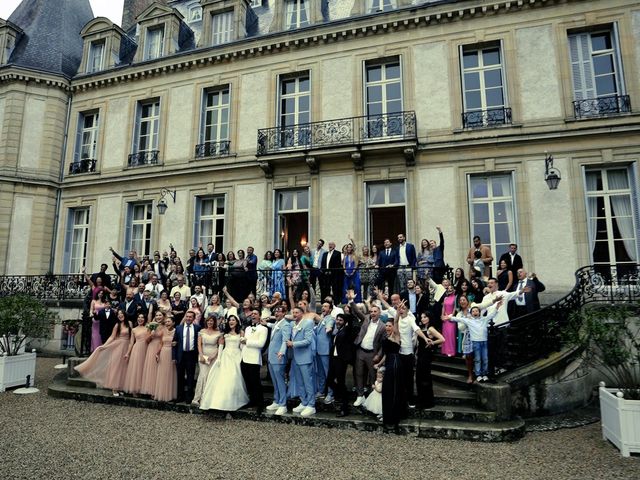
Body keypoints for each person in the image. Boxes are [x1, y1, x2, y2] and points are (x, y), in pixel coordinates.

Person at [75, 309, 132, 396]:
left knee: (124, 368)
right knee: (116, 367)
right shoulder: (117, 325)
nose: (120, 315)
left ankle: (120, 387)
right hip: (118, 347)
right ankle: (114, 388)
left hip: (126, 346)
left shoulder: (130, 324)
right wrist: (104, 345)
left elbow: (132, 337)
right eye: (118, 314)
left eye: (121, 313)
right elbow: (112, 337)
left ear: (125, 314)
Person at [199, 315, 250, 411]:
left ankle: (234, 400)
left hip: (236, 355)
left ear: (237, 322)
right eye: (230, 320)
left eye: (233, 320)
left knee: (235, 376)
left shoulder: (241, 332)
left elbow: (242, 346)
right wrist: (219, 358)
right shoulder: (225, 333)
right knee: (224, 377)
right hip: (226, 356)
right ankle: (219, 402)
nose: (231, 321)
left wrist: (243, 357)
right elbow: (221, 345)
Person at [447, 303, 499, 382]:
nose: (475, 312)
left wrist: (497, 307)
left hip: (484, 342)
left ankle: (484, 374)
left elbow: (491, 315)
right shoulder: (469, 321)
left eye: (476, 311)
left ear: (479, 312)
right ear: (471, 314)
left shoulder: (484, 319)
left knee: (485, 359)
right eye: (473, 311)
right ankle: (478, 375)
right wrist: (449, 317)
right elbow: (459, 319)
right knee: (478, 359)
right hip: (475, 343)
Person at [351, 297, 385, 407]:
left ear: (379, 312)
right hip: (360, 351)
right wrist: (351, 300)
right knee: (359, 374)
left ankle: (371, 399)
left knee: (373, 376)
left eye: (375, 311)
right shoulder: (366, 319)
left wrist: (378, 355)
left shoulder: (383, 327)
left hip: (372, 354)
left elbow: (383, 345)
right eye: (371, 311)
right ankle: (360, 396)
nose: (373, 313)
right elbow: (356, 310)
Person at [374, 318, 405, 431]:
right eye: (386, 325)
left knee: (394, 391)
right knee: (387, 391)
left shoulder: (396, 336)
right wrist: (379, 364)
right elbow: (386, 355)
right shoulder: (386, 337)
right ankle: (388, 418)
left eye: (390, 326)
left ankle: (395, 419)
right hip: (389, 364)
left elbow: (396, 322)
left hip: (396, 364)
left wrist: (397, 312)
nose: (387, 327)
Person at [287, 306, 316, 417]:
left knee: (308, 382)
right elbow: (285, 320)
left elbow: (308, 341)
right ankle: (303, 401)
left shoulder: (308, 323)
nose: (294, 314)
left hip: (305, 357)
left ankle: (311, 405)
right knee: (299, 382)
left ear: (302, 313)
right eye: (293, 312)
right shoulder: (292, 324)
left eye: (297, 312)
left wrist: (293, 344)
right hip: (295, 357)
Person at [326, 312, 356, 417]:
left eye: (340, 320)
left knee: (341, 382)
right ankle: (341, 394)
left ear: (345, 322)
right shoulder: (338, 330)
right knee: (329, 380)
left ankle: (344, 408)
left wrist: (350, 302)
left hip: (341, 360)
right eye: (337, 319)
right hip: (334, 359)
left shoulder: (347, 330)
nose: (338, 321)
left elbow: (351, 323)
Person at [265, 306, 292, 416]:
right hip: (271, 357)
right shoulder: (276, 324)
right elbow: (271, 326)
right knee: (275, 381)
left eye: (279, 311)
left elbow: (285, 340)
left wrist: (282, 352)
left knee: (280, 382)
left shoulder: (285, 325)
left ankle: (283, 404)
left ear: (284, 313)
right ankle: (276, 400)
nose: (276, 313)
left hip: (279, 357)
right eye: (275, 311)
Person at [240, 309, 268, 414]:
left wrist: (247, 341)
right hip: (244, 357)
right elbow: (243, 342)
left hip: (254, 358)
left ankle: (260, 403)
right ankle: (252, 400)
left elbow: (261, 344)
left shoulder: (263, 329)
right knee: (248, 381)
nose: (253, 315)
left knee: (256, 382)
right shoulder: (247, 328)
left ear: (260, 316)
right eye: (252, 314)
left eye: (255, 314)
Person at [191, 315, 223, 406]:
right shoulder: (201, 331)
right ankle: (197, 398)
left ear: (214, 322)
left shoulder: (218, 333)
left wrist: (213, 356)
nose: (210, 322)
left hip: (213, 356)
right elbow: (199, 345)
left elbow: (219, 346)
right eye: (208, 321)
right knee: (203, 375)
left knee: (210, 377)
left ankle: (207, 398)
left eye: (212, 321)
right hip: (203, 355)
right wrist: (201, 355)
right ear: (206, 322)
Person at [415, 312, 445, 408]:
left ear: (429, 318)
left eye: (425, 317)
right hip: (420, 354)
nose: (423, 319)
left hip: (426, 355)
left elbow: (442, 339)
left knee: (424, 378)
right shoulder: (423, 328)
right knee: (420, 377)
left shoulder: (430, 328)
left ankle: (426, 402)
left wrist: (432, 343)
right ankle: (423, 400)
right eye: (422, 317)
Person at [172, 311, 201, 403]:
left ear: (193, 318)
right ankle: (180, 396)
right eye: (187, 316)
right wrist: (174, 357)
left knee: (190, 376)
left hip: (191, 355)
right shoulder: (178, 328)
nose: (188, 318)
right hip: (181, 354)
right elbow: (174, 343)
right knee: (179, 376)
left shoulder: (197, 328)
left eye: (190, 317)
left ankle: (189, 397)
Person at [313, 302, 335, 400]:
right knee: (320, 373)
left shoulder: (330, 318)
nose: (323, 308)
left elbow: (329, 326)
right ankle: (321, 391)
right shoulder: (322, 319)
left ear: (330, 309)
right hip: (318, 350)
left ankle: (331, 393)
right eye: (323, 306)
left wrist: (329, 328)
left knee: (328, 373)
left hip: (325, 351)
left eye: (325, 306)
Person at [122, 313, 149, 396]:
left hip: (146, 349)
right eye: (139, 317)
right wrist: (127, 353)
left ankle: (143, 389)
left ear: (145, 319)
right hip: (137, 350)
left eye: (142, 317)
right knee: (137, 369)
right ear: (137, 319)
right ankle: (135, 389)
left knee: (144, 369)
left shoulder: (148, 328)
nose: (140, 319)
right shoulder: (134, 329)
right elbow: (131, 343)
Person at [140, 311, 164, 397]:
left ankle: (159, 390)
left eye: (160, 315)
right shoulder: (151, 326)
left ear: (163, 316)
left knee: (160, 369)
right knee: (152, 368)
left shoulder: (166, 326)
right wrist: (151, 335)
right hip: (152, 347)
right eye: (157, 315)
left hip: (163, 348)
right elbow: (146, 340)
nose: (158, 317)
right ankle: (151, 390)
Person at [154, 316, 178, 401]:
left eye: (169, 321)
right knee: (162, 373)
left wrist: (176, 343)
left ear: (173, 323)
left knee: (170, 373)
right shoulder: (163, 331)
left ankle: (169, 395)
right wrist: (157, 353)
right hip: (163, 352)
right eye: (166, 322)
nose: (167, 323)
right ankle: (161, 393)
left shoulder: (176, 331)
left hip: (172, 353)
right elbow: (161, 343)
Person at [453, 295, 474, 382]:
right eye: (460, 300)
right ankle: (470, 375)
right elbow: (461, 328)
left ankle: (479, 375)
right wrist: (468, 321)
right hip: (466, 337)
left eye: (464, 300)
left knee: (477, 357)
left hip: (476, 335)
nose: (462, 301)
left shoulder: (472, 310)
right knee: (468, 357)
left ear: (467, 301)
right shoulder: (459, 314)